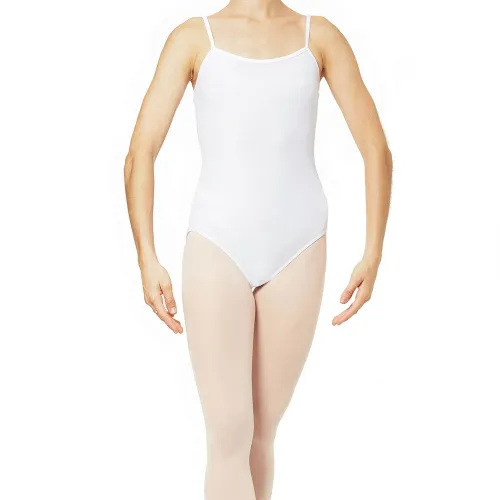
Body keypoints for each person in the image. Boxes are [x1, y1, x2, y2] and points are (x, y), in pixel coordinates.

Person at [124, 1, 392, 499]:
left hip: (300, 246)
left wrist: (372, 254)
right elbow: (141, 151)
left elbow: (375, 148)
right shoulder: (193, 38)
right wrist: (147, 257)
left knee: (260, 436)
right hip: (216, 244)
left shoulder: (319, 37)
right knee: (229, 432)